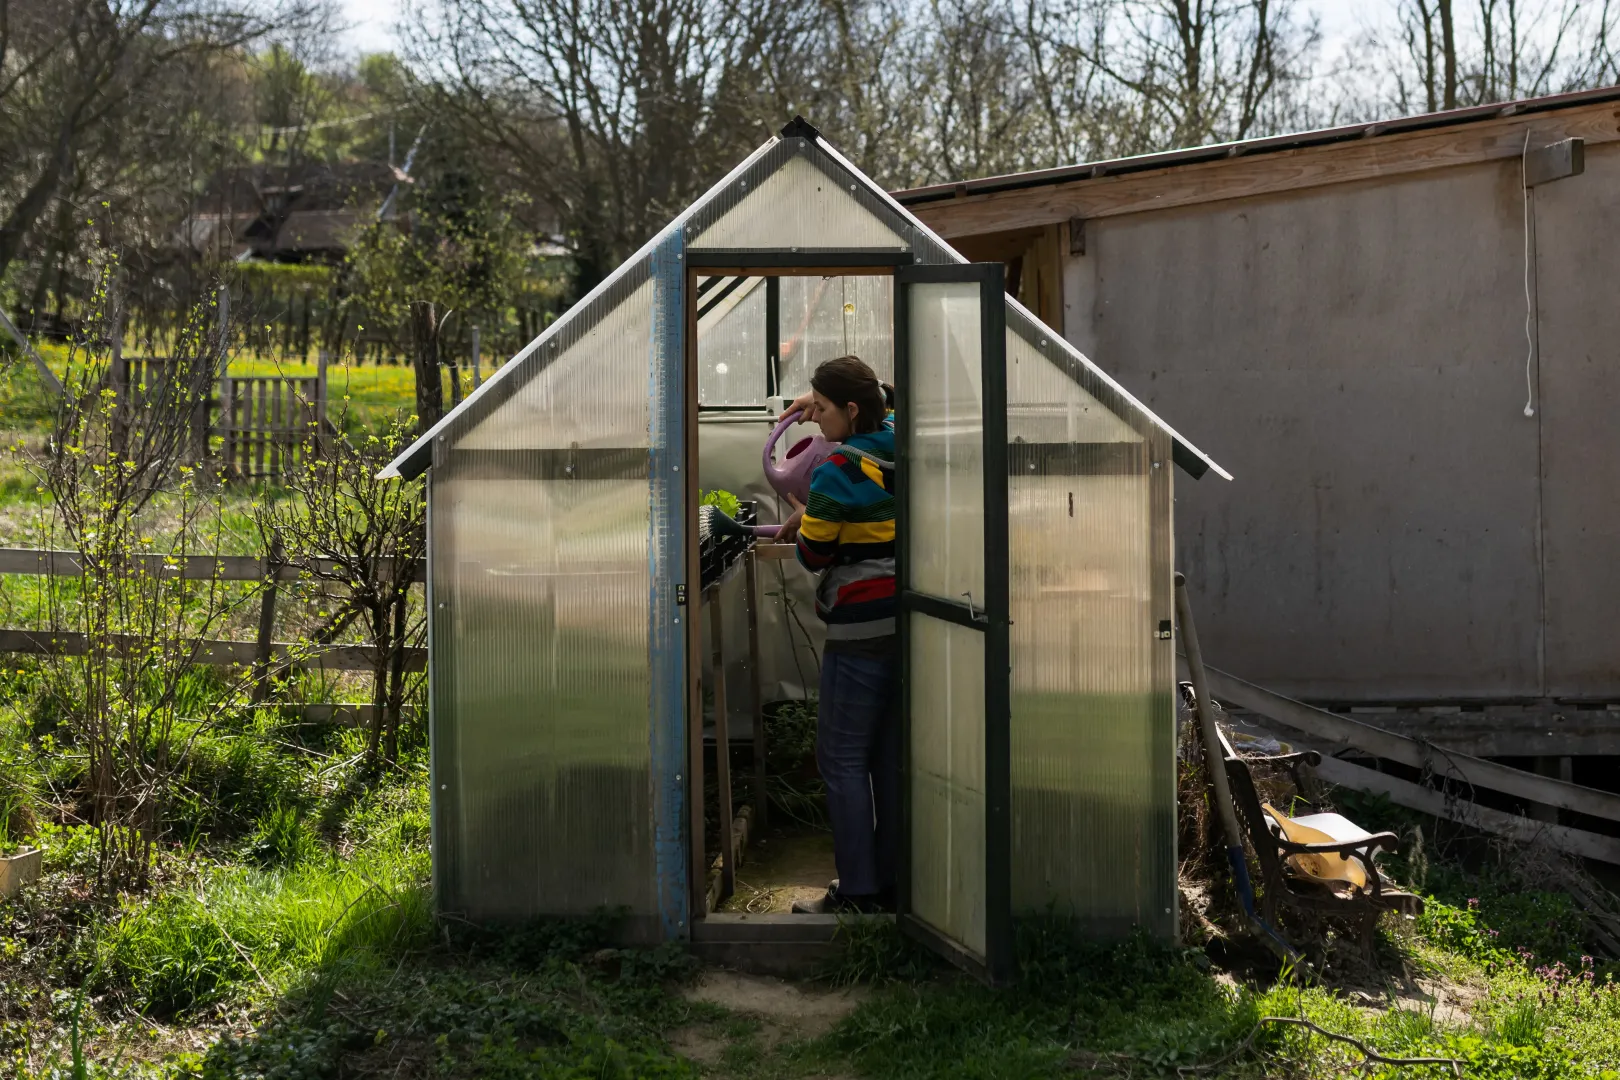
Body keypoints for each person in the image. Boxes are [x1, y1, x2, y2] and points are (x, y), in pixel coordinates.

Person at [775, 355, 899, 914]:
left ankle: (856, 892)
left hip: (860, 629)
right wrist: (815, 397)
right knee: (888, 757)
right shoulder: (899, 442)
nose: (816, 420)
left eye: (822, 410)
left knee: (842, 758)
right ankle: (896, 881)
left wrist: (803, 516)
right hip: (908, 620)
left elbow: (813, 555)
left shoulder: (835, 473)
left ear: (850, 410)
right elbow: (888, 403)